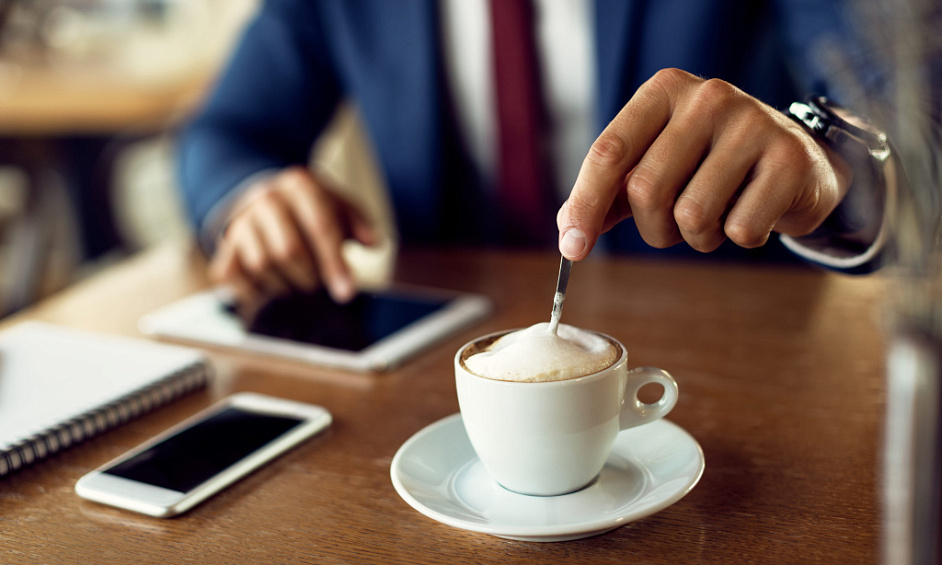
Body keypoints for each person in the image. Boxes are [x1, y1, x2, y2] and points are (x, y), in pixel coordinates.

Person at [178, 0, 891, 305]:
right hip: (439, 399)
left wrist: (827, 164)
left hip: (733, 395)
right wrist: (250, 195)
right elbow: (224, 134)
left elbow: (913, 118)